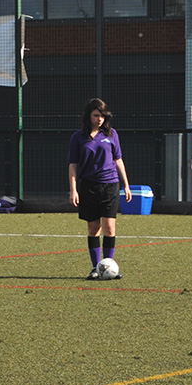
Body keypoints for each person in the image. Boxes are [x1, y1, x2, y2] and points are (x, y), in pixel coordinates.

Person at [68, 97, 132, 280]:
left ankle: (109, 267)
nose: (100, 119)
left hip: (110, 185)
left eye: (103, 116)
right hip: (89, 187)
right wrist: (74, 189)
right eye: (96, 115)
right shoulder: (78, 137)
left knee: (109, 228)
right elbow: (73, 164)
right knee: (93, 228)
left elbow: (118, 159)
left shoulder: (111, 135)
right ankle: (96, 268)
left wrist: (126, 185)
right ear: (89, 115)